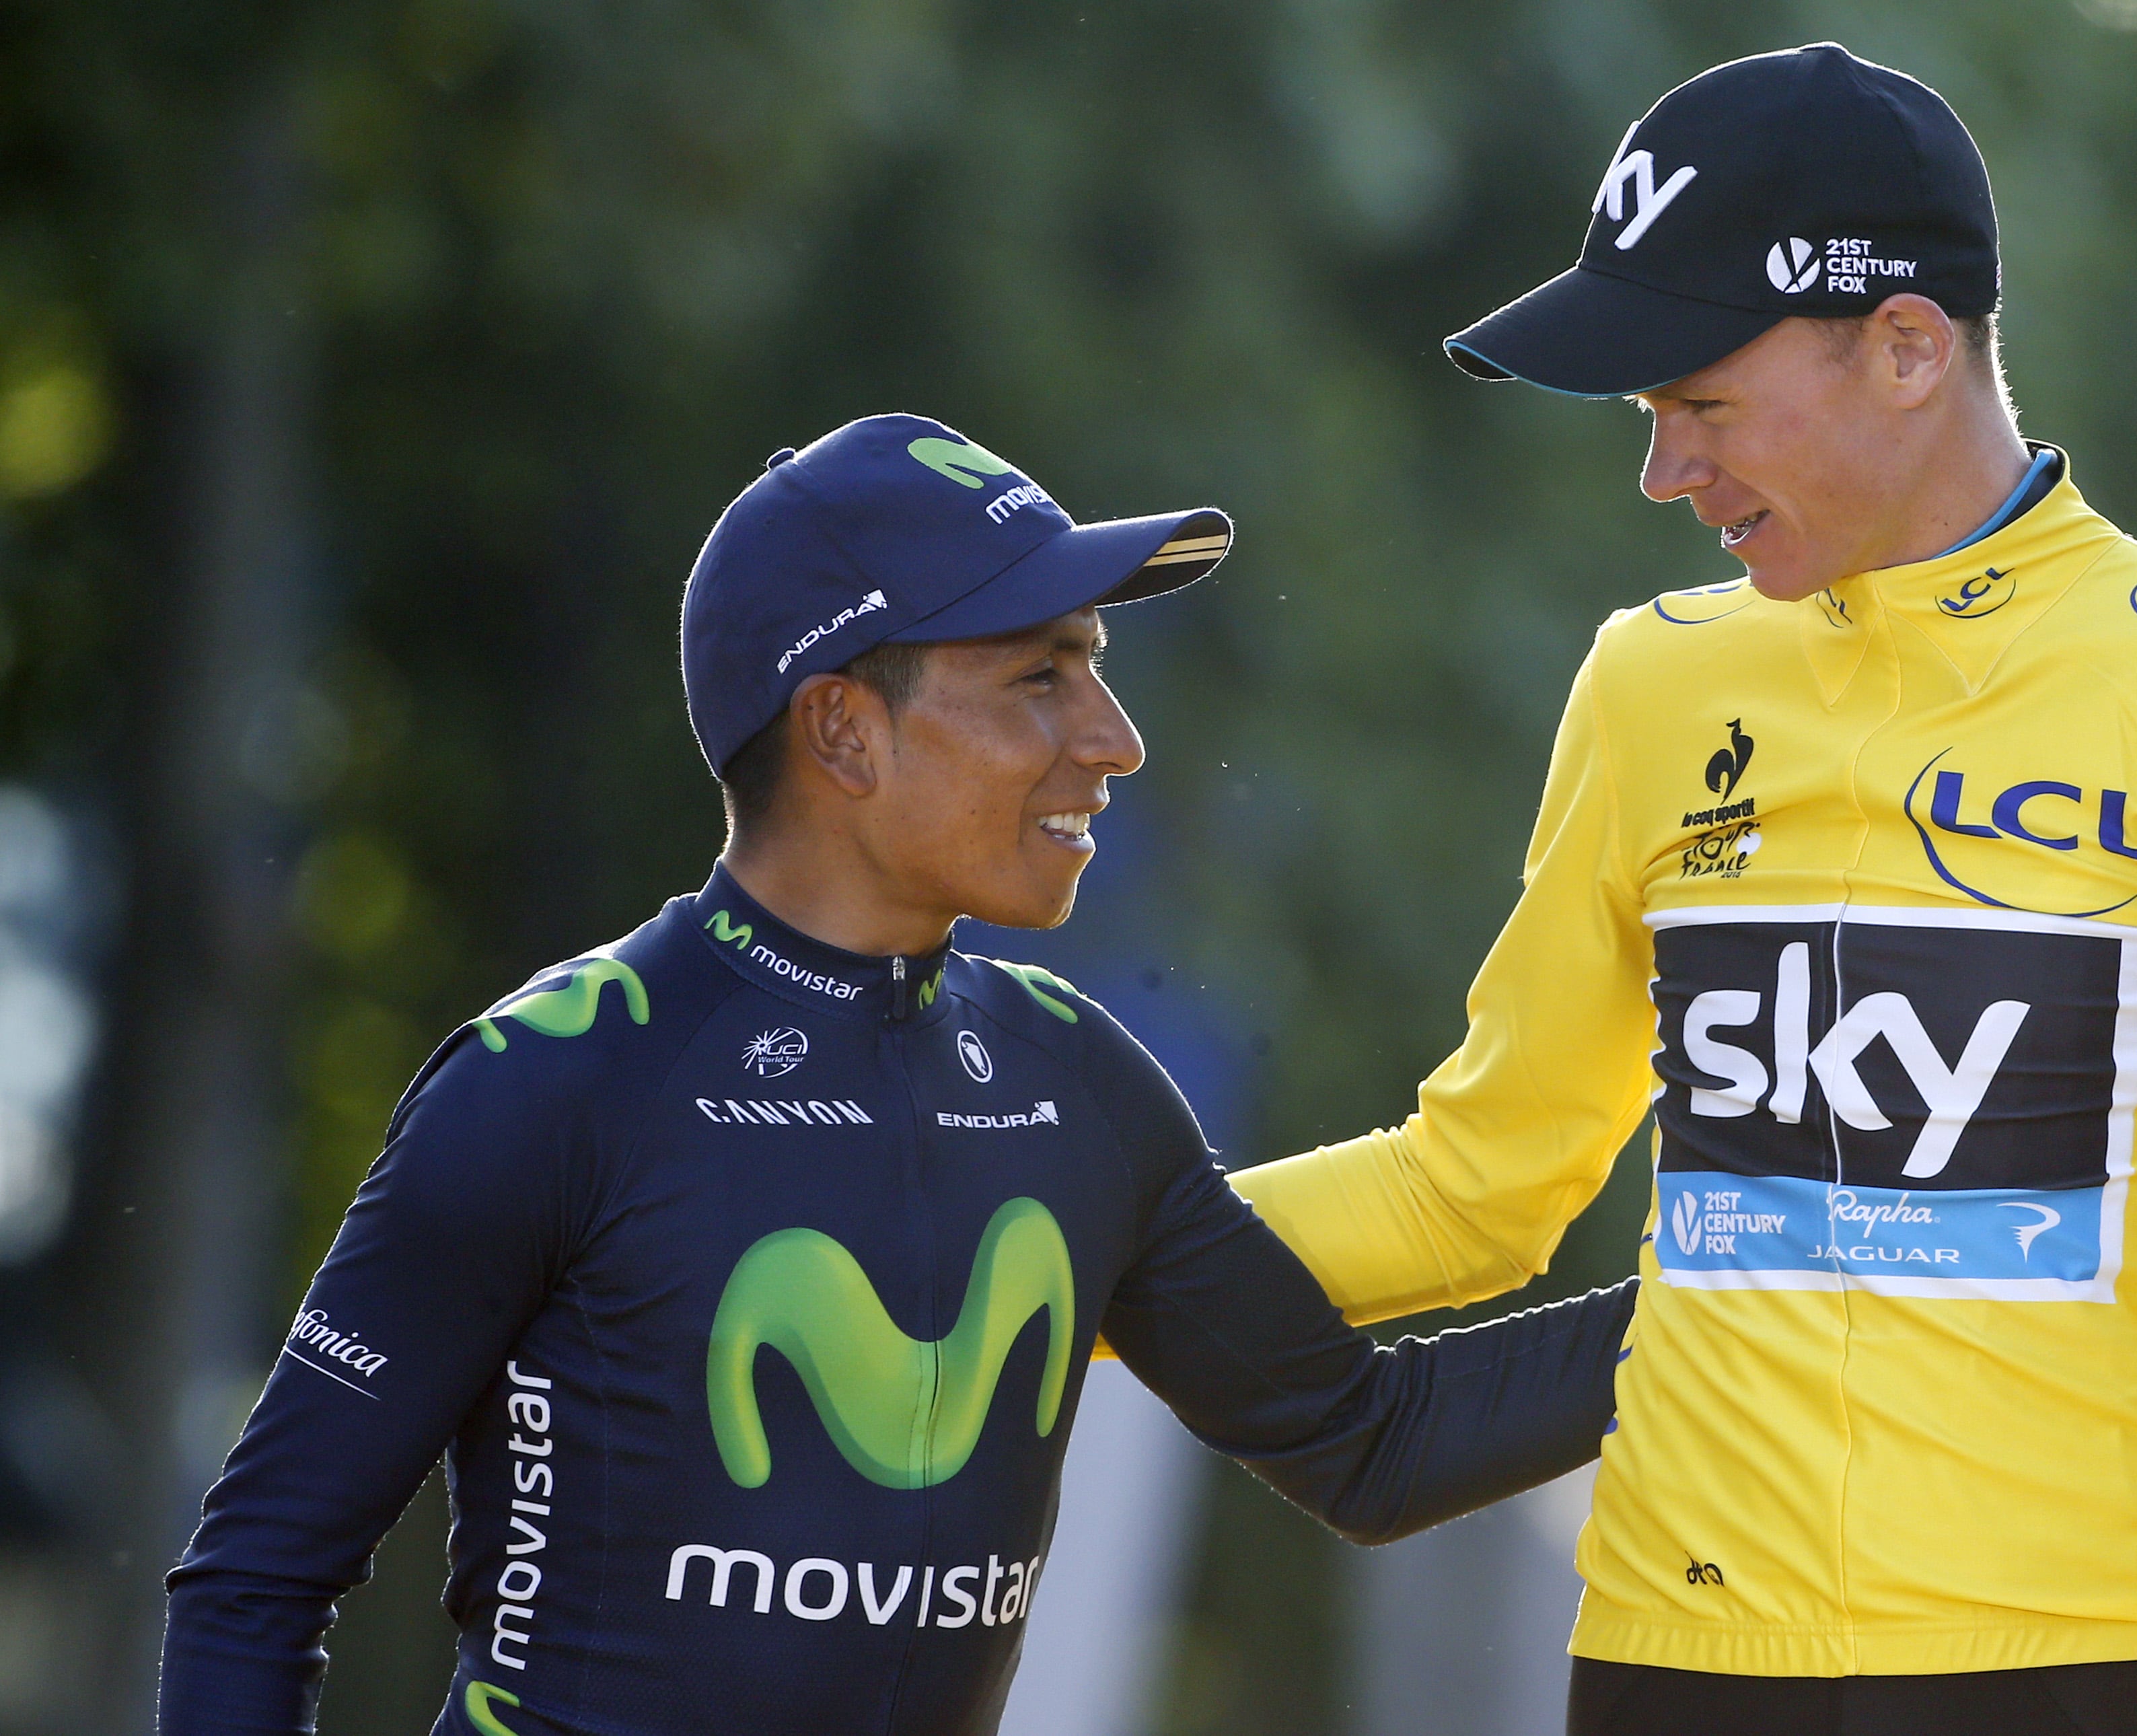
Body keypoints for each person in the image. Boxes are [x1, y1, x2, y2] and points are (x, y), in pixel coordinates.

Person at [1231, 44, 2137, 1736]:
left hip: (2065, 1676)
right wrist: (1040, 1242)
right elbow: (1472, 1190)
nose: (1661, 472)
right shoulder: (1651, 682)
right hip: (1662, 1662)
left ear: (1907, 348)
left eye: (1698, 403)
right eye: (1646, 419)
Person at [159, 414, 1635, 1736]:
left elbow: (1366, 1446)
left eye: (1096, 677)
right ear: (843, 730)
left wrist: (1786, 1283)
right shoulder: (552, 1080)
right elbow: (256, 1583)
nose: (1110, 744)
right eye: (1038, 680)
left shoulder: (1080, 1086)